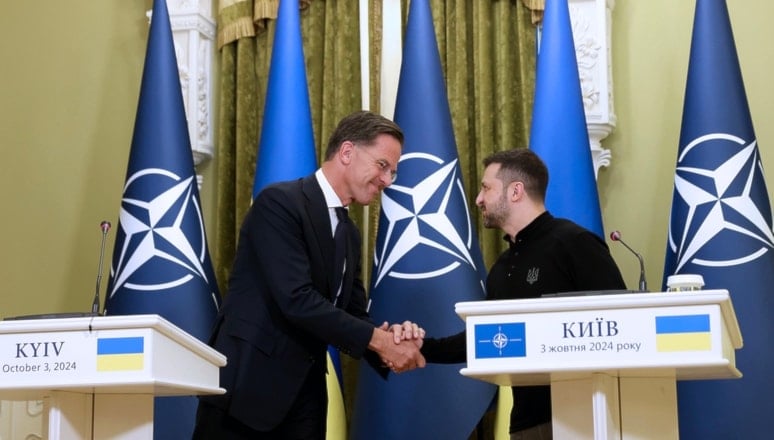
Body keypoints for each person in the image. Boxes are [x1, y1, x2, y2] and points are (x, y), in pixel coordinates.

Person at [193, 111, 426, 439]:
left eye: (393, 172)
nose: (388, 181)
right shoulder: (280, 204)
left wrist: (394, 337)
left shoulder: (350, 234)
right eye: (383, 166)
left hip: (305, 401)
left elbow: (353, 314)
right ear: (347, 152)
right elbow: (296, 299)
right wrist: (380, 342)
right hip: (246, 396)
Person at [418, 148, 626, 440]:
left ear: (515, 191)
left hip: (586, 417)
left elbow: (622, 324)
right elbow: (483, 339)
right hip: (525, 424)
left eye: (486, 188)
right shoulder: (502, 267)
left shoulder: (575, 244)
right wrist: (418, 347)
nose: (478, 199)